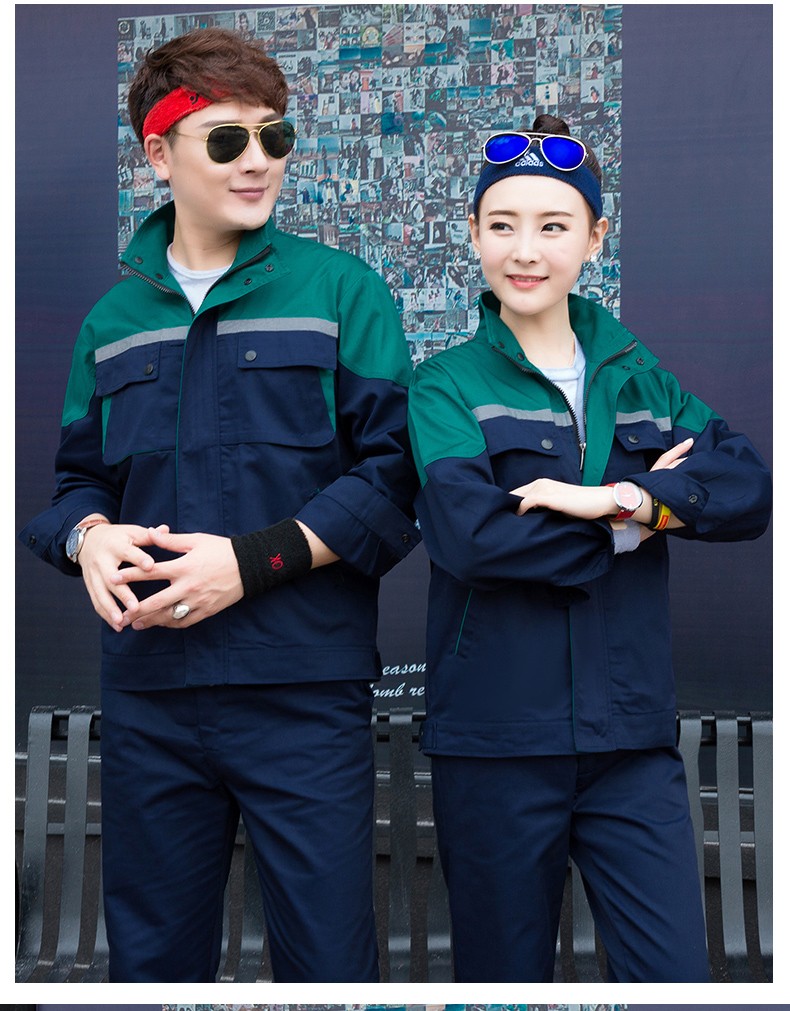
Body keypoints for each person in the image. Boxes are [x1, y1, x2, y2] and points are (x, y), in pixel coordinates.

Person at [19, 27, 420, 982]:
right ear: (158, 153)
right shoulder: (112, 324)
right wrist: (87, 537)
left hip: (302, 694)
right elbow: (77, 485)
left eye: (273, 137)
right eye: (227, 139)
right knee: (153, 970)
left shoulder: (342, 293)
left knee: (328, 969)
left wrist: (250, 561)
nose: (258, 162)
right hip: (151, 696)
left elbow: (395, 476)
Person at [407, 114, 771, 982]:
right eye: (503, 225)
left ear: (595, 237)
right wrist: (636, 521)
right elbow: (472, 538)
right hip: (496, 744)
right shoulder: (444, 385)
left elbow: (747, 487)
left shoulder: (640, 377)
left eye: (553, 225)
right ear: (473, 233)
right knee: (504, 987)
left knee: (676, 982)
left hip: (631, 745)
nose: (526, 251)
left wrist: (618, 494)